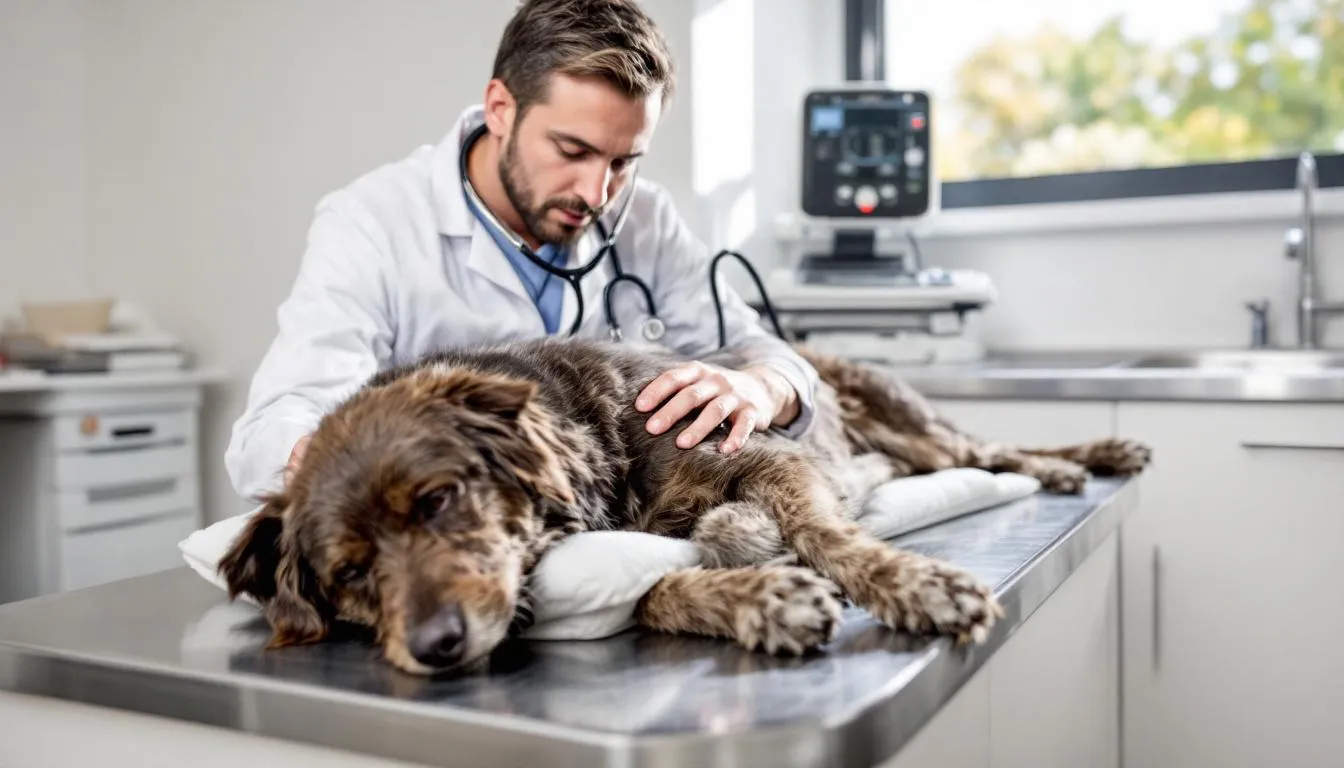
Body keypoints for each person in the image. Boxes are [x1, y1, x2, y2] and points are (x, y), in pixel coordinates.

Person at [225, 0, 820, 502]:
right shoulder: (374, 223)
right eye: (571, 150)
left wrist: (762, 388)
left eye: (622, 161)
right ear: (501, 109)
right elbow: (276, 424)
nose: (597, 193)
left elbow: (766, 355)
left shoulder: (645, 218)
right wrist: (319, 457)